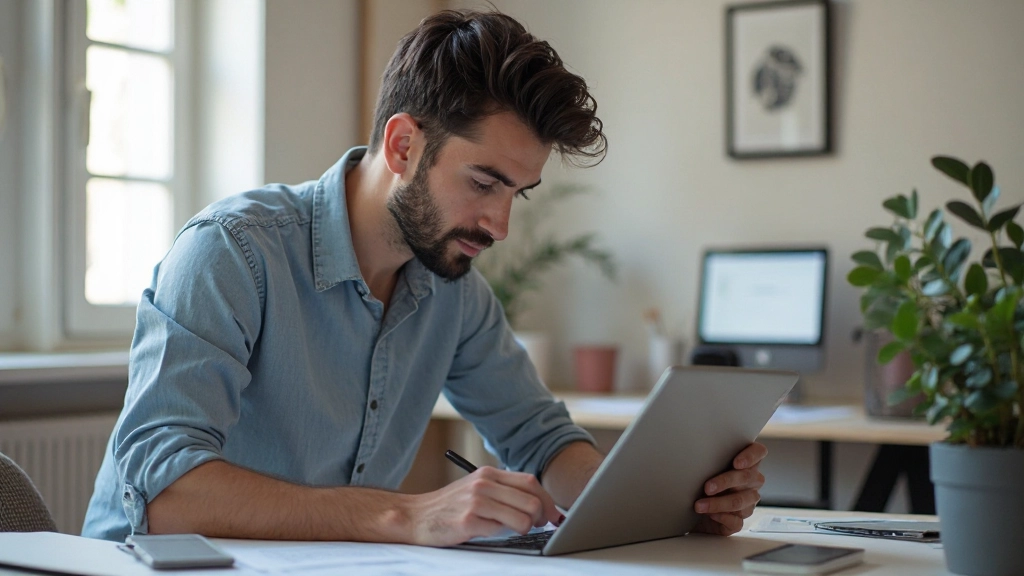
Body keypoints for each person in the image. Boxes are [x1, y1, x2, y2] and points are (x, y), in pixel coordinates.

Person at [83, 9, 767, 544]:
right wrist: (404, 517)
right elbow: (165, 496)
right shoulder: (233, 253)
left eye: (516, 194)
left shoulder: (452, 291)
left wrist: (666, 508)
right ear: (404, 145)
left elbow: (540, 439)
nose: (500, 225)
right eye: (484, 182)